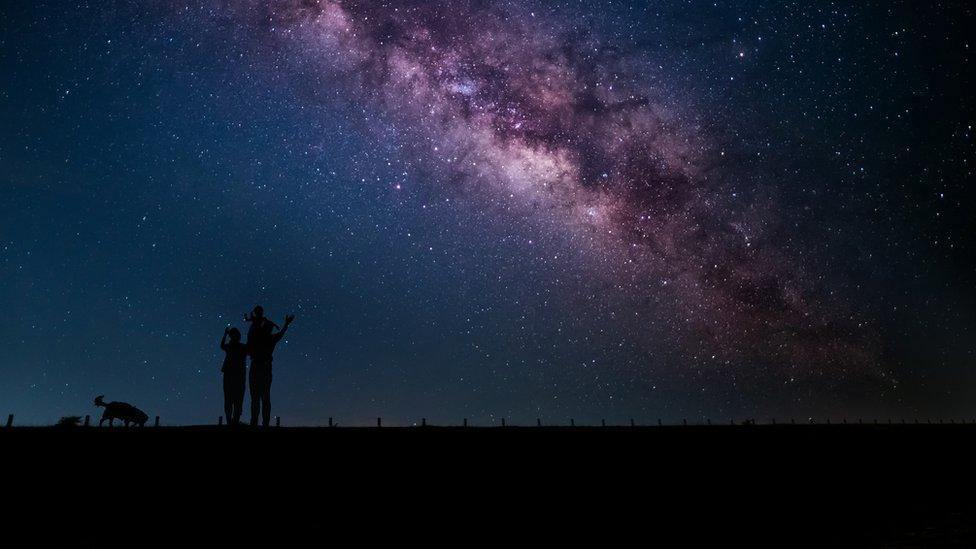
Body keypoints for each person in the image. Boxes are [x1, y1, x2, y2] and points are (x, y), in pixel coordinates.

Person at [245, 305, 294, 426]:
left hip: (258, 366)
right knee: (263, 397)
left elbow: (250, 337)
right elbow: (281, 333)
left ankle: (256, 422)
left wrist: (253, 320)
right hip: (263, 367)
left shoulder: (257, 337)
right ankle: (263, 423)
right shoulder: (269, 338)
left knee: (258, 397)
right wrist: (286, 324)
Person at [219, 327, 247, 425]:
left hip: (234, 376)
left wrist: (225, 334)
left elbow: (222, 345)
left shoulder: (233, 347)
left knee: (232, 400)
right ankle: (232, 421)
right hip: (235, 376)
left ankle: (232, 421)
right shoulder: (241, 347)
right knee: (233, 400)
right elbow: (222, 345)